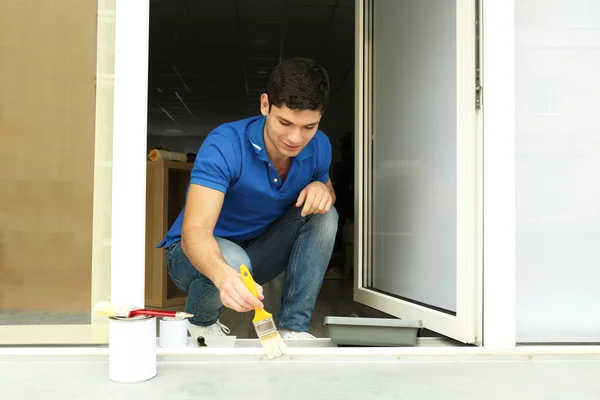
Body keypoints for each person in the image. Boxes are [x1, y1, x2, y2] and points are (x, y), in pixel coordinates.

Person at [157, 58, 339, 340]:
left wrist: (322, 189)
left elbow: (329, 195)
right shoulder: (225, 144)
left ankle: (294, 329)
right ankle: (201, 326)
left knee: (326, 214)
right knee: (233, 259)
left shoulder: (319, 146)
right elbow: (195, 231)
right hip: (192, 254)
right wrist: (222, 275)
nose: (295, 137)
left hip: (260, 250)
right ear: (265, 105)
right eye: (285, 122)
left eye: (308, 127)